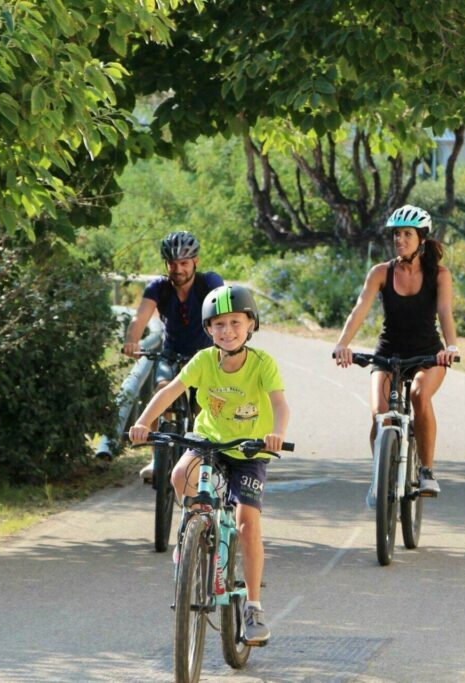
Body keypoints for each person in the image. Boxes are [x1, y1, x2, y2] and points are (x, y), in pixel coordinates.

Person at [129, 285, 289, 645]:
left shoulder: (262, 364)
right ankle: (191, 533)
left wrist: (276, 434)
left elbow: (280, 404)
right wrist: (143, 422)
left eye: (235, 322)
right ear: (208, 329)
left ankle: (253, 607)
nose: (227, 330)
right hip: (210, 442)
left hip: (250, 449)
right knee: (179, 474)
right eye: (218, 324)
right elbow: (168, 391)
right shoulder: (203, 361)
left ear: (251, 325)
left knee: (248, 523)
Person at [332, 204, 459, 496]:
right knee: (381, 414)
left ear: (422, 239)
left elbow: (445, 310)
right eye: (396, 234)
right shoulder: (381, 272)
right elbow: (359, 309)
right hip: (389, 352)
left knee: (418, 394)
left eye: (407, 234)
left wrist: (450, 347)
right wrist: (343, 344)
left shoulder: (439, 274)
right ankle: (381, 475)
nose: (399, 239)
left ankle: (426, 471)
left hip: (429, 353)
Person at [122, 231, 224, 482]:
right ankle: (158, 459)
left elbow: (224, 309)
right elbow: (140, 317)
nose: (177, 269)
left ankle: (206, 462)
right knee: (162, 392)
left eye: (183, 263)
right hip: (171, 354)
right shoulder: (159, 288)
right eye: (172, 264)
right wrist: (132, 340)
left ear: (195, 262)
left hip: (205, 356)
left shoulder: (209, 283)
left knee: (204, 407)